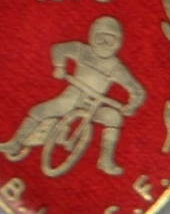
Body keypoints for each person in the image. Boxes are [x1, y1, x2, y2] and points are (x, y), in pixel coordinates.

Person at [1, 16, 144, 178]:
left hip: (95, 106)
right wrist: (59, 67)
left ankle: (105, 160)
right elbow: (58, 49)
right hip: (70, 98)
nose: (104, 44)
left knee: (114, 118)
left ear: (118, 42)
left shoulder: (117, 68)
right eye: (100, 38)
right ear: (92, 36)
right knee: (39, 111)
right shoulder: (81, 50)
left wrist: (131, 105)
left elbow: (137, 90)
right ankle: (16, 143)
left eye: (110, 40)